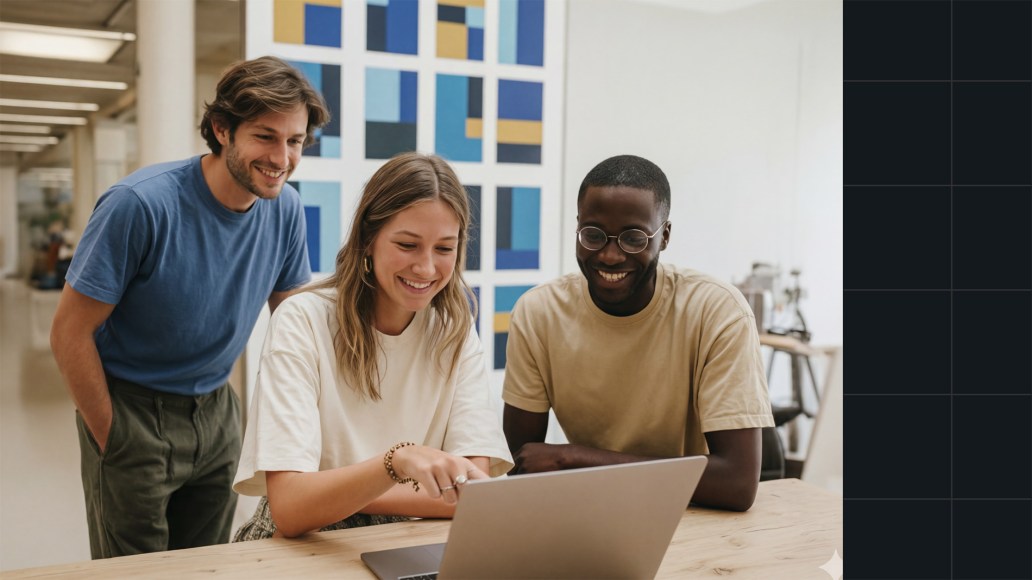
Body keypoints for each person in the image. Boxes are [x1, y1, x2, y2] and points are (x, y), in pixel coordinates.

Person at [49, 56, 331, 558]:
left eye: (295, 141)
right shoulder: (139, 204)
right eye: (265, 136)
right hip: (131, 408)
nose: (282, 157)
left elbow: (295, 324)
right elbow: (69, 333)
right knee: (135, 573)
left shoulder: (285, 209)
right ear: (222, 130)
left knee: (206, 566)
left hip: (219, 414)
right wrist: (112, 436)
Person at [232, 152, 513, 540]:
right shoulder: (303, 319)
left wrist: (340, 489)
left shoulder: (455, 330)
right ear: (367, 239)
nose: (427, 268)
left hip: (405, 537)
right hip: (306, 543)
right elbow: (291, 509)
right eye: (408, 244)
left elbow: (470, 491)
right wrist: (395, 463)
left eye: (444, 249)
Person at [502, 154, 775, 511]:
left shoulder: (717, 311)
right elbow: (525, 462)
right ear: (577, 229)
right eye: (594, 235)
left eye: (633, 238)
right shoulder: (539, 312)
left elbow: (737, 485)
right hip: (593, 511)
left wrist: (576, 460)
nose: (611, 256)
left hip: (693, 514)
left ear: (664, 236)